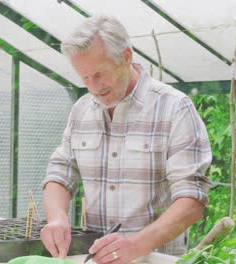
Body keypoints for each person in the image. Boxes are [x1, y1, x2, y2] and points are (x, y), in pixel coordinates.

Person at [40, 15, 212, 264]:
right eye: (84, 78)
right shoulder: (81, 110)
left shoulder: (174, 108)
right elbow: (60, 173)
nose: (94, 87)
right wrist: (57, 219)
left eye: (100, 74)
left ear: (126, 56)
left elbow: (192, 199)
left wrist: (136, 245)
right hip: (96, 258)